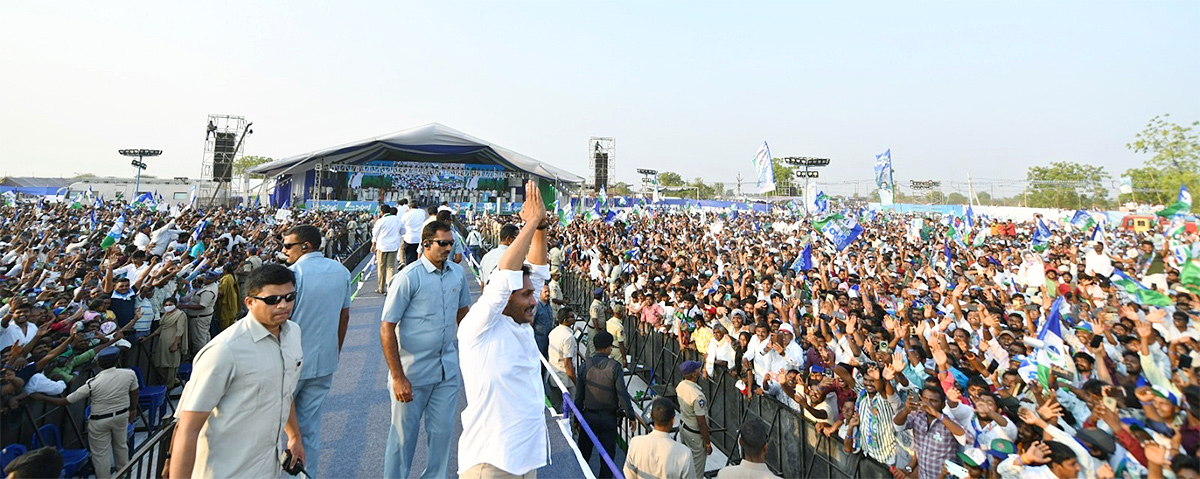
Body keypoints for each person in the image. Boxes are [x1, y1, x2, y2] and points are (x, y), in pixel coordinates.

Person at [167, 264, 305, 479]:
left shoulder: (293, 334)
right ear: (249, 302)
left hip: (268, 467)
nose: (283, 305)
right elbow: (188, 427)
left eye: (289, 297)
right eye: (272, 300)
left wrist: (294, 436)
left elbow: (284, 391)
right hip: (226, 471)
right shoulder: (224, 350)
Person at [457, 181, 551, 478]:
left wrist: (542, 227)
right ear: (506, 296)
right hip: (491, 462)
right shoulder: (478, 328)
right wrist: (531, 221)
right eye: (525, 295)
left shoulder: (518, 322)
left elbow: (536, 270)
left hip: (526, 460)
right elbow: (505, 277)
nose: (534, 300)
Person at [380, 220, 472, 479]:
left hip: (446, 372)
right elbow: (387, 328)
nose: (448, 248)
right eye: (442, 243)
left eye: (451, 243)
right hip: (412, 373)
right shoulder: (407, 278)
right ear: (426, 245)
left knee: (442, 436)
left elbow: (463, 316)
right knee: (402, 440)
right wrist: (398, 377)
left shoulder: (457, 274)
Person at [283, 224, 353, 478]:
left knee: (274, 425)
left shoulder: (292, 274)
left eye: (288, 245)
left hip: (290, 364)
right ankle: (305, 475)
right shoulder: (341, 271)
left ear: (306, 246)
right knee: (309, 428)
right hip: (324, 361)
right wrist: (335, 351)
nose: (284, 250)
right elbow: (344, 317)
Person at [39, 346, 138, 479]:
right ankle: (124, 475)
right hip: (121, 415)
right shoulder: (129, 374)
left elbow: (65, 401)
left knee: (101, 455)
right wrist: (133, 409)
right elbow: (134, 392)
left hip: (99, 421)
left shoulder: (93, 383)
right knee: (121, 447)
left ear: (98, 363)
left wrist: (41, 397)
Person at [573, 331, 637, 479]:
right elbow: (622, 394)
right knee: (608, 459)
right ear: (608, 348)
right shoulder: (614, 366)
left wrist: (576, 419)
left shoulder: (585, 365)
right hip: (609, 419)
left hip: (588, 417)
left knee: (584, 455)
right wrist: (630, 415)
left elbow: (579, 396)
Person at [623, 397, 695, 479]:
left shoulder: (636, 443)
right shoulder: (685, 453)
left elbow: (628, 473)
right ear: (672, 421)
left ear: (651, 416)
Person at [676, 360, 712, 477]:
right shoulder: (697, 395)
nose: (699, 370)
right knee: (696, 470)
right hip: (695, 435)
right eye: (697, 369)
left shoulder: (681, 385)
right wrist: (707, 443)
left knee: (686, 464)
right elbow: (701, 422)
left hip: (684, 428)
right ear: (694, 374)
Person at [142, 296, 185, 389]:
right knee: (160, 364)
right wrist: (147, 338)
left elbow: (180, 330)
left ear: (175, 305)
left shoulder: (179, 314)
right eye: (166, 305)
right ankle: (168, 382)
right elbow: (160, 329)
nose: (168, 307)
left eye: (170, 305)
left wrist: (175, 344)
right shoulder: (166, 315)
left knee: (171, 365)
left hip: (172, 342)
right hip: (163, 343)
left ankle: (170, 384)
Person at [547, 307, 577, 412]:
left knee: (556, 408)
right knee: (570, 411)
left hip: (553, 376)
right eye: (572, 317)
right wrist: (576, 382)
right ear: (565, 320)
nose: (574, 318)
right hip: (565, 379)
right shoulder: (568, 337)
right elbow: (567, 363)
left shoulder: (553, 332)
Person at [372, 204, 403, 294]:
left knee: (381, 267)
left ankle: (381, 288)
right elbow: (403, 231)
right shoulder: (397, 220)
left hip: (382, 246)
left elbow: (375, 234)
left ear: (382, 212)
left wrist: (373, 244)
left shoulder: (380, 221)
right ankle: (390, 288)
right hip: (393, 246)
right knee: (391, 267)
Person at [399, 201, 428, 266]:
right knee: (418, 257)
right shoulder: (422, 213)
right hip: (419, 237)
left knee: (409, 257)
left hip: (409, 238)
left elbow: (402, 224)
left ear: (410, 207)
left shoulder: (406, 214)